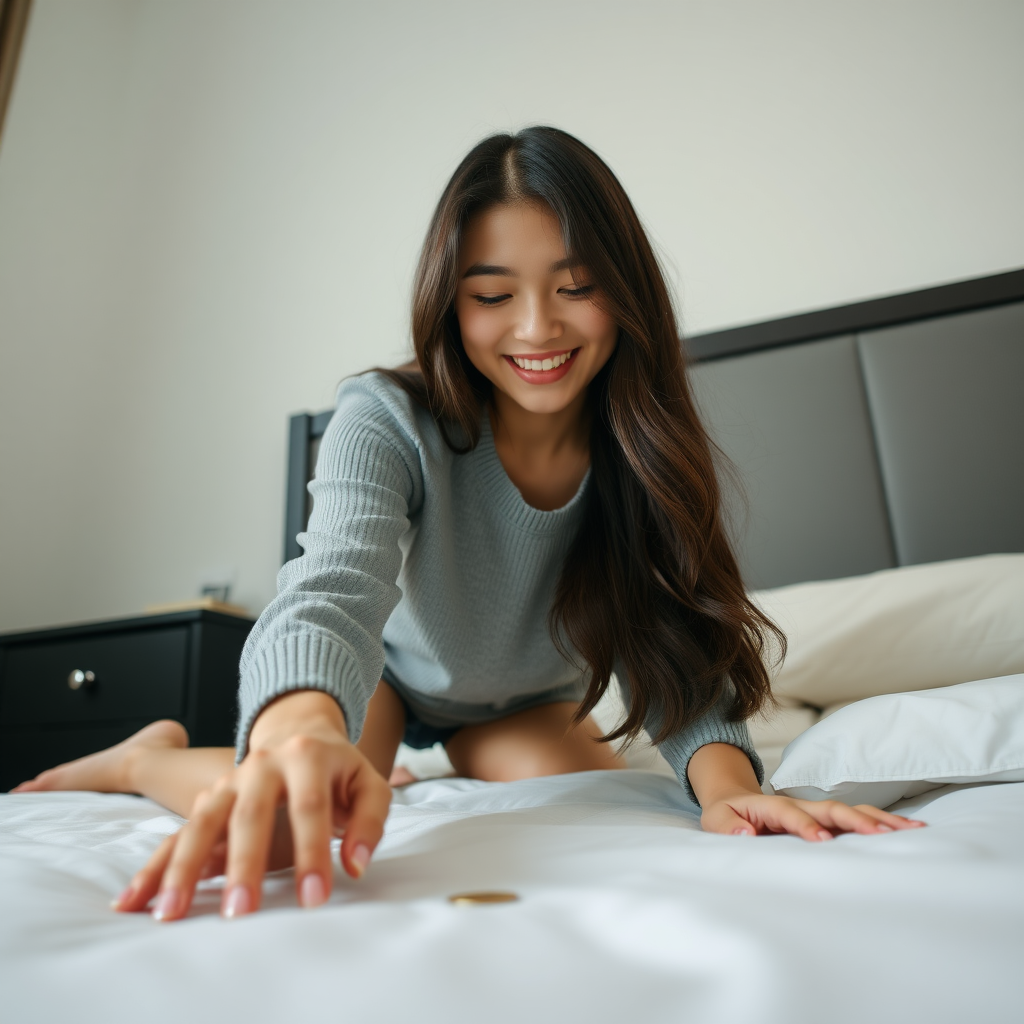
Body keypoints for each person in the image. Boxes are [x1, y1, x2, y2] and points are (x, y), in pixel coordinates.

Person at [13, 126, 923, 921]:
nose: (536, 328)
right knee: (302, 826)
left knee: (615, 802)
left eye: (575, 287)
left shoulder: (640, 444)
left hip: (523, 699)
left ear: (625, 292)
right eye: (493, 296)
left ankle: (392, 761)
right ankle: (143, 759)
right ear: (452, 301)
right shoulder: (385, 414)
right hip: (383, 677)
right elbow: (329, 591)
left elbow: (676, 642)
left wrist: (732, 788)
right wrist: (301, 730)